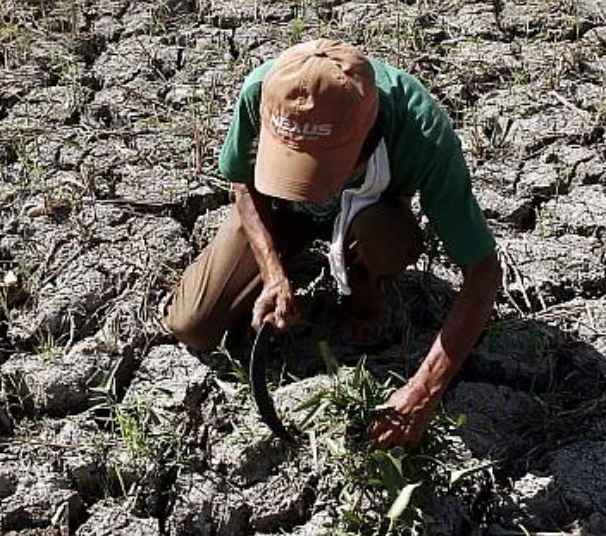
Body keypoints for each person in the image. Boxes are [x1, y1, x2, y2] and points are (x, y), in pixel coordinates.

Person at [164, 39, 501, 450]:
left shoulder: (421, 130)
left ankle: (366, 291)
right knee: (193, 325)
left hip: (370, 217)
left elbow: (483, 271)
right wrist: (272, 273)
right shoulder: (264, 92)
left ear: (367, 130)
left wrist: (423, 392)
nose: (308, 188)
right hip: (282, 216)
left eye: (318, 170)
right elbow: (243, 183)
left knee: (384, 235)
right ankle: (293, 263)